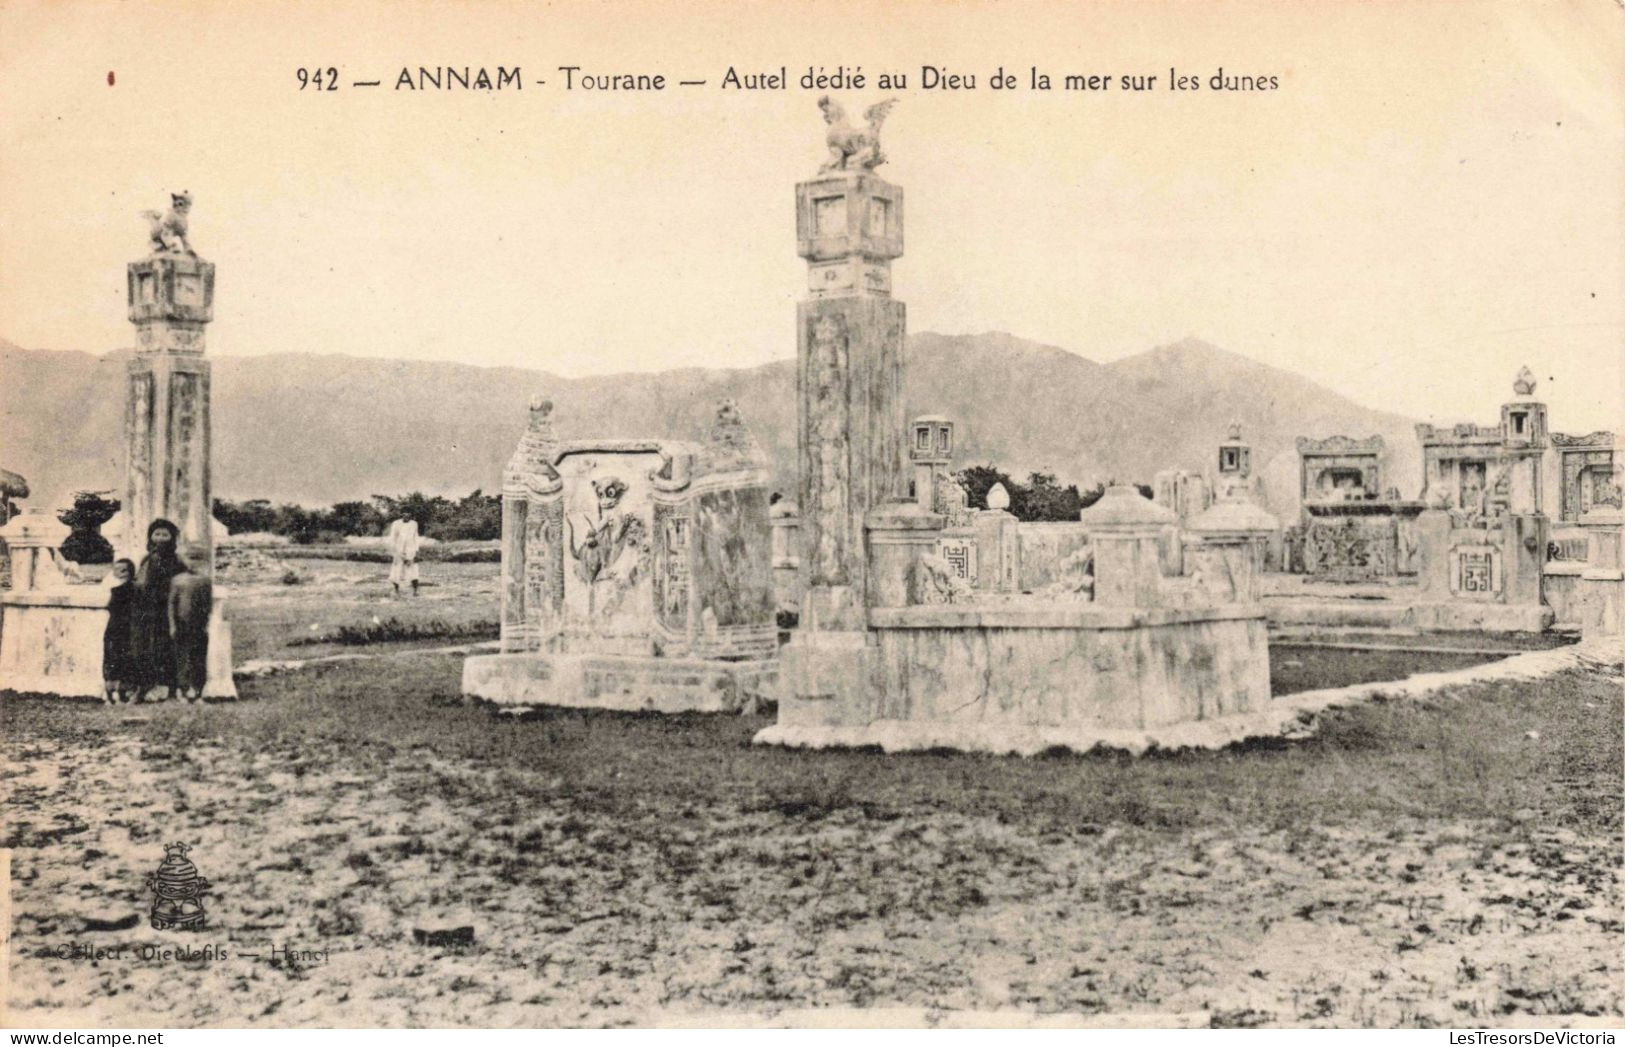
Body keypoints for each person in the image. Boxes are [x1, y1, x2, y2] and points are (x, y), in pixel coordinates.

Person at [131, 518, 186, 701]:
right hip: (146, 609)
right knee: (146, 646)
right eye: (157, 534)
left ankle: (166, 685)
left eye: (165, 534)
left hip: (165, 609)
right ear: (150, 537)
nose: (161, 538)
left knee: (165, 646)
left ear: (172, 538)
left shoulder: (176, 561)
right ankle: (146, 684)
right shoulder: (146, 559)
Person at [168, 542, 213, 702]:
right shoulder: (177, 580)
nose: (193, 562)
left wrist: (207, 623)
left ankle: (198, 690)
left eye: (198, 559)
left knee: (198, 657)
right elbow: (171, 603)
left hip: (199, 624)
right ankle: (184, 689)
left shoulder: (205, 581)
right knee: (183, 657)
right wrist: (172, 625)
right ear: (183, 559)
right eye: (190, 558)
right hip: (182, 624)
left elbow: (208, 604)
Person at [102, 558, 137, 703]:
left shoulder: (119, 590)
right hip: (120, 628)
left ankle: (115, 692)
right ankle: (119, 692)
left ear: (124, 572)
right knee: (120, 658)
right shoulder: (124, 588)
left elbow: (110, 606)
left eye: (118, 570)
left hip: (120, 627)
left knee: (116, 658)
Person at [387, 517, 421, 596]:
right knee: (396, 570)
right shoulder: (396, 523)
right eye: (405, 513)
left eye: (408, 513)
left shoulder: (414, 524)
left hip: (410, 549)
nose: (406, 515)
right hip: (399, 549)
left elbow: (416, 537)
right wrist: (395, 551)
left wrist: (416, 550)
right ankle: (396, 590)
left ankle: (415, 591)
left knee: (413, 570)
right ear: (402, 514)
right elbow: (392, 538)